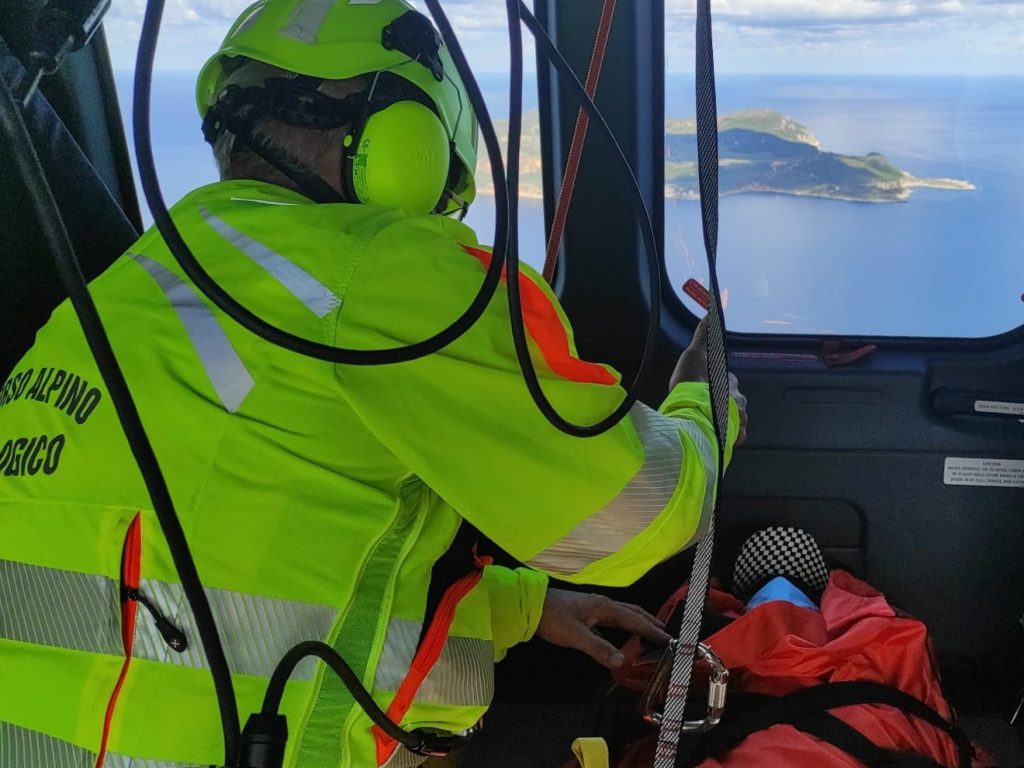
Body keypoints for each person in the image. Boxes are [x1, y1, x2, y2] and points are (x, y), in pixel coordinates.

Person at [0, 1, 745, 766]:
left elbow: (234, 565)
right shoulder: (384, 273)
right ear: (406, 144)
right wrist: (705, 404)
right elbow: (634, 516)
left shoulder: (127, 285)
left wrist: (523, 608)